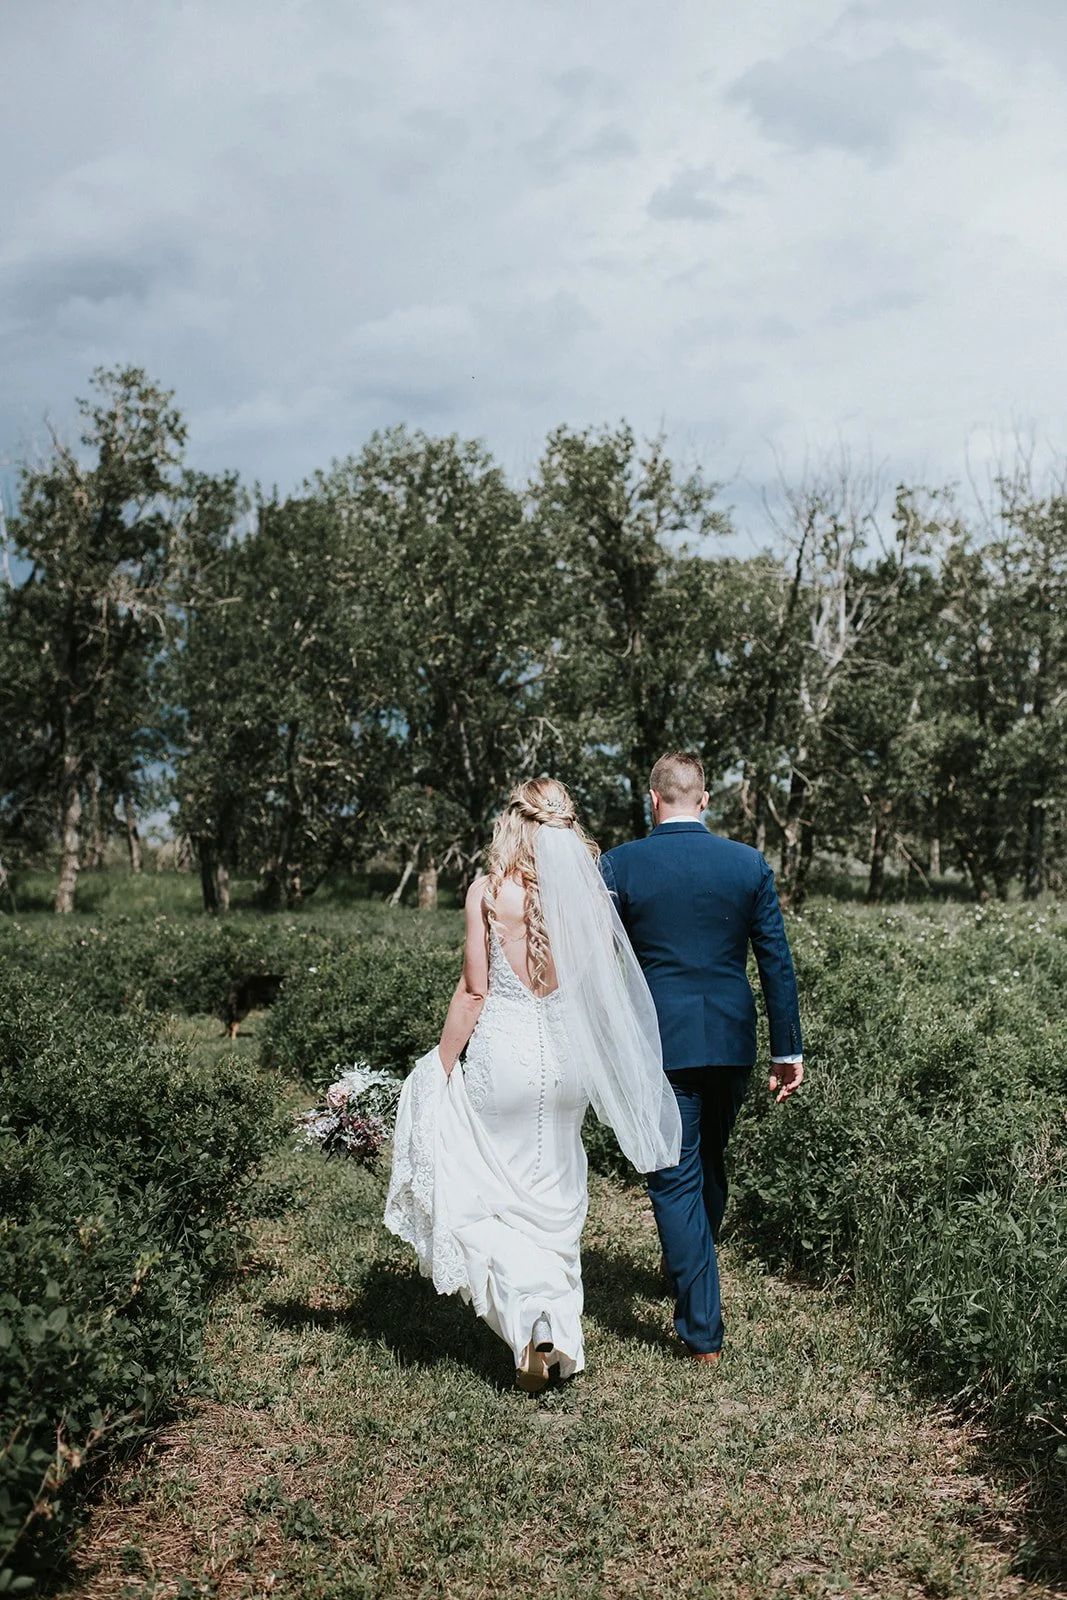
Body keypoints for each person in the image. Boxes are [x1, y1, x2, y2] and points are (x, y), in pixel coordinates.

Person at [385, 778, 681, 1394]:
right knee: (556, 1195)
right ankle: (555, 1332)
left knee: (488, 1193)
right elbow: (600, 991)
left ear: (513, 825)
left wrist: (439, 1064)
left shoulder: (488, 893)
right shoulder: (588, 897)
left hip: (504, 1060)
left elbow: (474, 993)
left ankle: (530, 1318)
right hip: (569, 1065)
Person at [600, 751, 804, 1365]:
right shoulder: (746, 863)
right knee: (704, 1162)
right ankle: (689, 1265)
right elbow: (776, 960)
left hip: (660, 1040)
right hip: (732, 1042)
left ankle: (702, 1330)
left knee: (675, 1171)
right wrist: (787, 1048)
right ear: (705, 800)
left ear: (653, 799)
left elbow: (600, 962)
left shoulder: (620, 864)